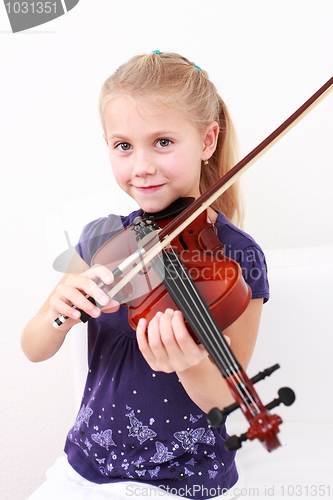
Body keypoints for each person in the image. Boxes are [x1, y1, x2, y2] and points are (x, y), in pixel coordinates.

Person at [22, 52, 269, 499]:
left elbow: (226, 399)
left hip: (187, 481)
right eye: (123, 146)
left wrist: (191, 364)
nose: (141, 167)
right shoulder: (103, 238)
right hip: (89, 465)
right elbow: (33, 347)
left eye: (163, 142)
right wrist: (55, 313)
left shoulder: (236, 256)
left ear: (208, 140)